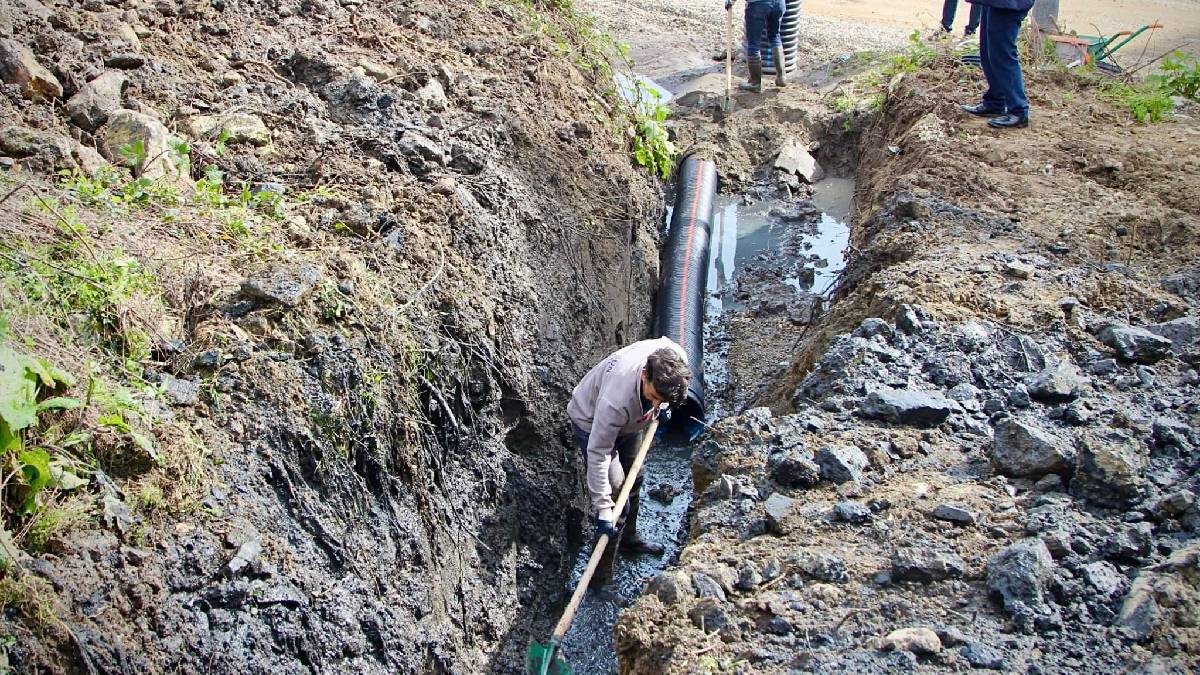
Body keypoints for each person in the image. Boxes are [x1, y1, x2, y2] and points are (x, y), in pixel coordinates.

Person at [567, 337, 691, 560]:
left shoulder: (675, 357)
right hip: (591, 420)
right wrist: (604, 507)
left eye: (660, 400)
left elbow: (665, 391)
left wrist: (663, 405)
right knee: (616, 498)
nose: (656, 403)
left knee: (636, 476)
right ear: (645, 374)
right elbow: (598, 452)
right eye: (653, 397)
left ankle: (628, 541)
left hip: (632, 421)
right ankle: (600, 578)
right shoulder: (615, 400)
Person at [960, 0, 1034, 129]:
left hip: (1010, 4)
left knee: (1003, 55)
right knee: (988, 52)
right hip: (996, 3)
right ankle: (995, 102)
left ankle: (1018, 110)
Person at [726, 0, 787, 93]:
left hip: (758, 4)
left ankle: (755, 83)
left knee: (753, 43)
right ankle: (781, 77)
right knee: (775, 36)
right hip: (779, 3)